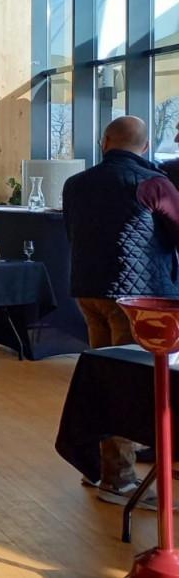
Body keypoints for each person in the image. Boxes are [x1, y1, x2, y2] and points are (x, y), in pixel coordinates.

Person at [63, 115, 179, 507]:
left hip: (87, 291)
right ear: (145, 147)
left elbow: (71, 233)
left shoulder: (75, 184)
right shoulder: (152, 183)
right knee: (127, 386)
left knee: (104, 379)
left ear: (104, 141)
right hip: (136, 300)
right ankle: (119, 480)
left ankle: (100, 467)